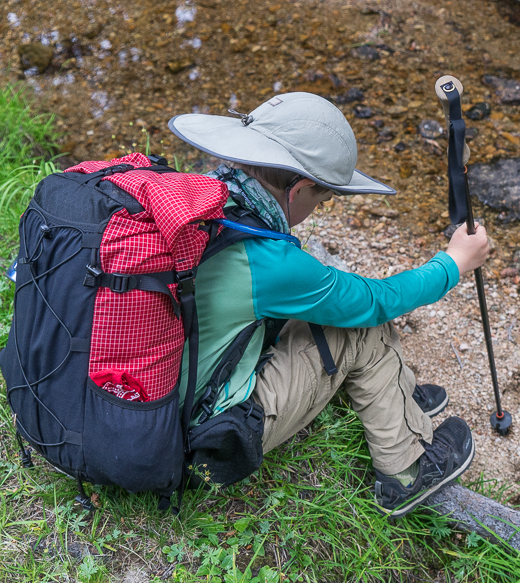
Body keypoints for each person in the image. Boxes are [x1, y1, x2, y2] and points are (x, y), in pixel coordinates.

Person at [167, 91, 490, 518]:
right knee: (361, 325)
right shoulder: (268, 262)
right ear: (298, 188)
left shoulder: (199, 201)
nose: (318, 209)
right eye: (322, 199)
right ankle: (407, 472)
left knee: (323, 309)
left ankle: (397, 394)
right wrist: (454, 263)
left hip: (142, 396)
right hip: (197, 430)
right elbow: (376, 301)